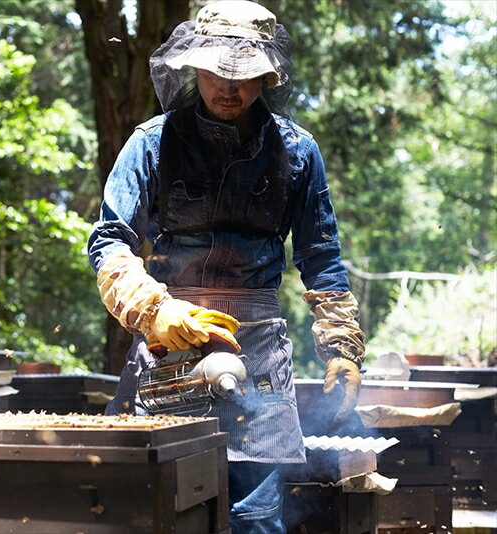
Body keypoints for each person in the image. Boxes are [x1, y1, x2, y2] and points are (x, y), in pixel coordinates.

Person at [87, 1, 367, 532]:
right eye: (217, 70)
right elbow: (109, 242)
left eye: (243, 74)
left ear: (268, 74)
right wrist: (154, 310)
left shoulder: (298, 152)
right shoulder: (151, 143)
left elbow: (321, 257)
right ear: (194, 65)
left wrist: (341, 347)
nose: (228, 87)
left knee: (254, 518)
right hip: (167, 345)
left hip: (258, 350)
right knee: (148, 507)